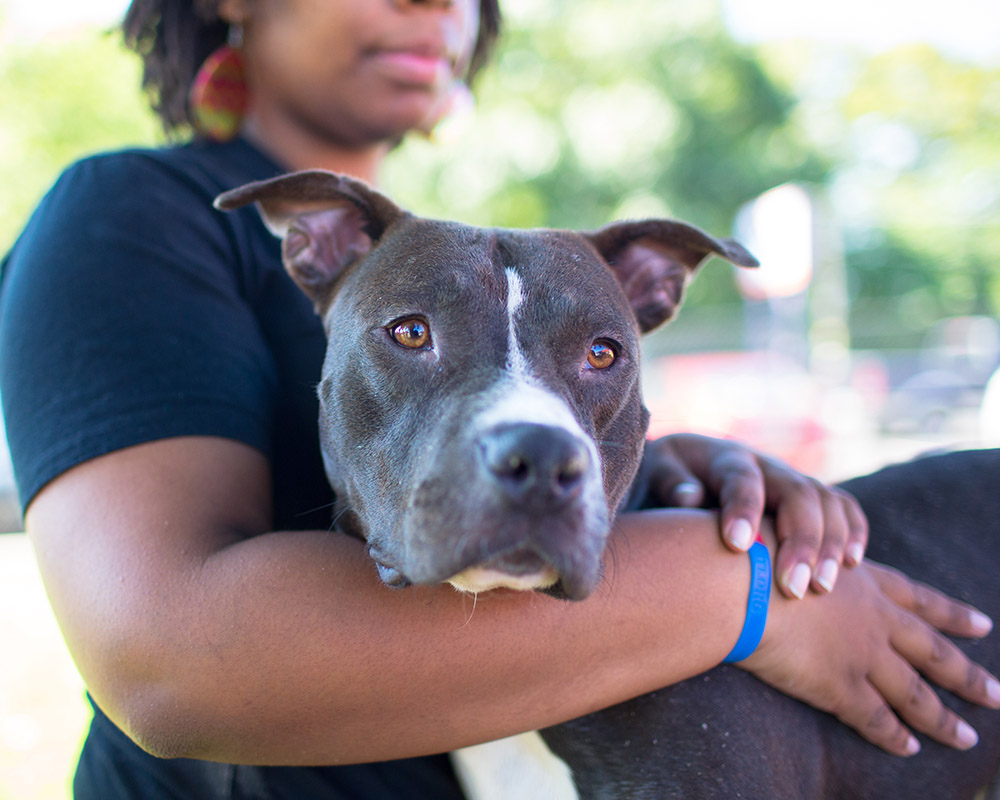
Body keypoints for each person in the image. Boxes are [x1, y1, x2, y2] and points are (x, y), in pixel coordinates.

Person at [0, 1, 996, 798]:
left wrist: (667, 472)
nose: (436, 4)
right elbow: (168, 655)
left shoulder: (495, 264)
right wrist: (745, 595)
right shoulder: (130, 216)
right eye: (410, 335)